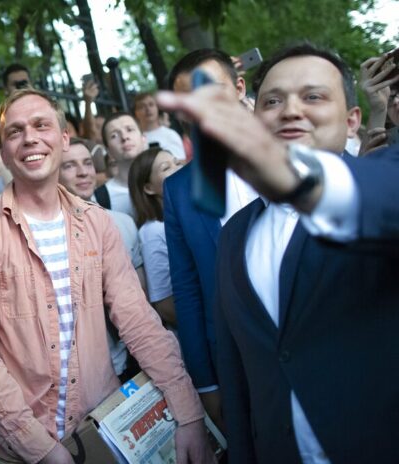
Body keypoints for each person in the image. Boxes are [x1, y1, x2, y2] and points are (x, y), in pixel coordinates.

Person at [157, 43, 399, 464]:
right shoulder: (236, 235)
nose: (290, 110)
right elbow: (231, 351)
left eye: (313, 96)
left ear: (352, 119)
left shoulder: (374, 194)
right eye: (274, 100)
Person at [0, 88, 213, 464]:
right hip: (26, 449)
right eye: (15, 132)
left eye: (41, 125)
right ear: (4, 150)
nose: (30, 138)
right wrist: (44, 452)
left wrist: (188, 410)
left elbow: (138, 321)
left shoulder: (96, 223)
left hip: (103, 429)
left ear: (64, 138)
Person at [161, 49, 259, 430]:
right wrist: (207, 383)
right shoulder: (178, 190)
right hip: (233, 367)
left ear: (238, 87)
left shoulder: (292, 156)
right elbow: (186, 291)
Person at [57, 136, 144, 378]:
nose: (83, 172)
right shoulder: (49, 236)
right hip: (83, 373)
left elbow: (142, 298)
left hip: (132, 359)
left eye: (87, 163)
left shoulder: (123, 223)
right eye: (69, 165)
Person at [127, 147, 183, 327]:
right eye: (166, 168)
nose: (178, 168)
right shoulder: (153, 231)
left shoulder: (188, 218)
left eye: (177, 162)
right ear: (149, 188)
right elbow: (165, 305)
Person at [96, 112, 148, 217]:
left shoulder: (166, 181)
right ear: (108, 150)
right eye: (114, 135)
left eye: (130, 130)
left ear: (144, 138)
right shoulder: (100, 199)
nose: (124, 137)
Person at [133, 92, 186, 160]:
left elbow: (181, 162)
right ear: (136, 112)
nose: (148, 109)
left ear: (157, 108)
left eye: (151, 104)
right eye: (142, 106)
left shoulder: (170, 134)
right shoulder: (134, 139)